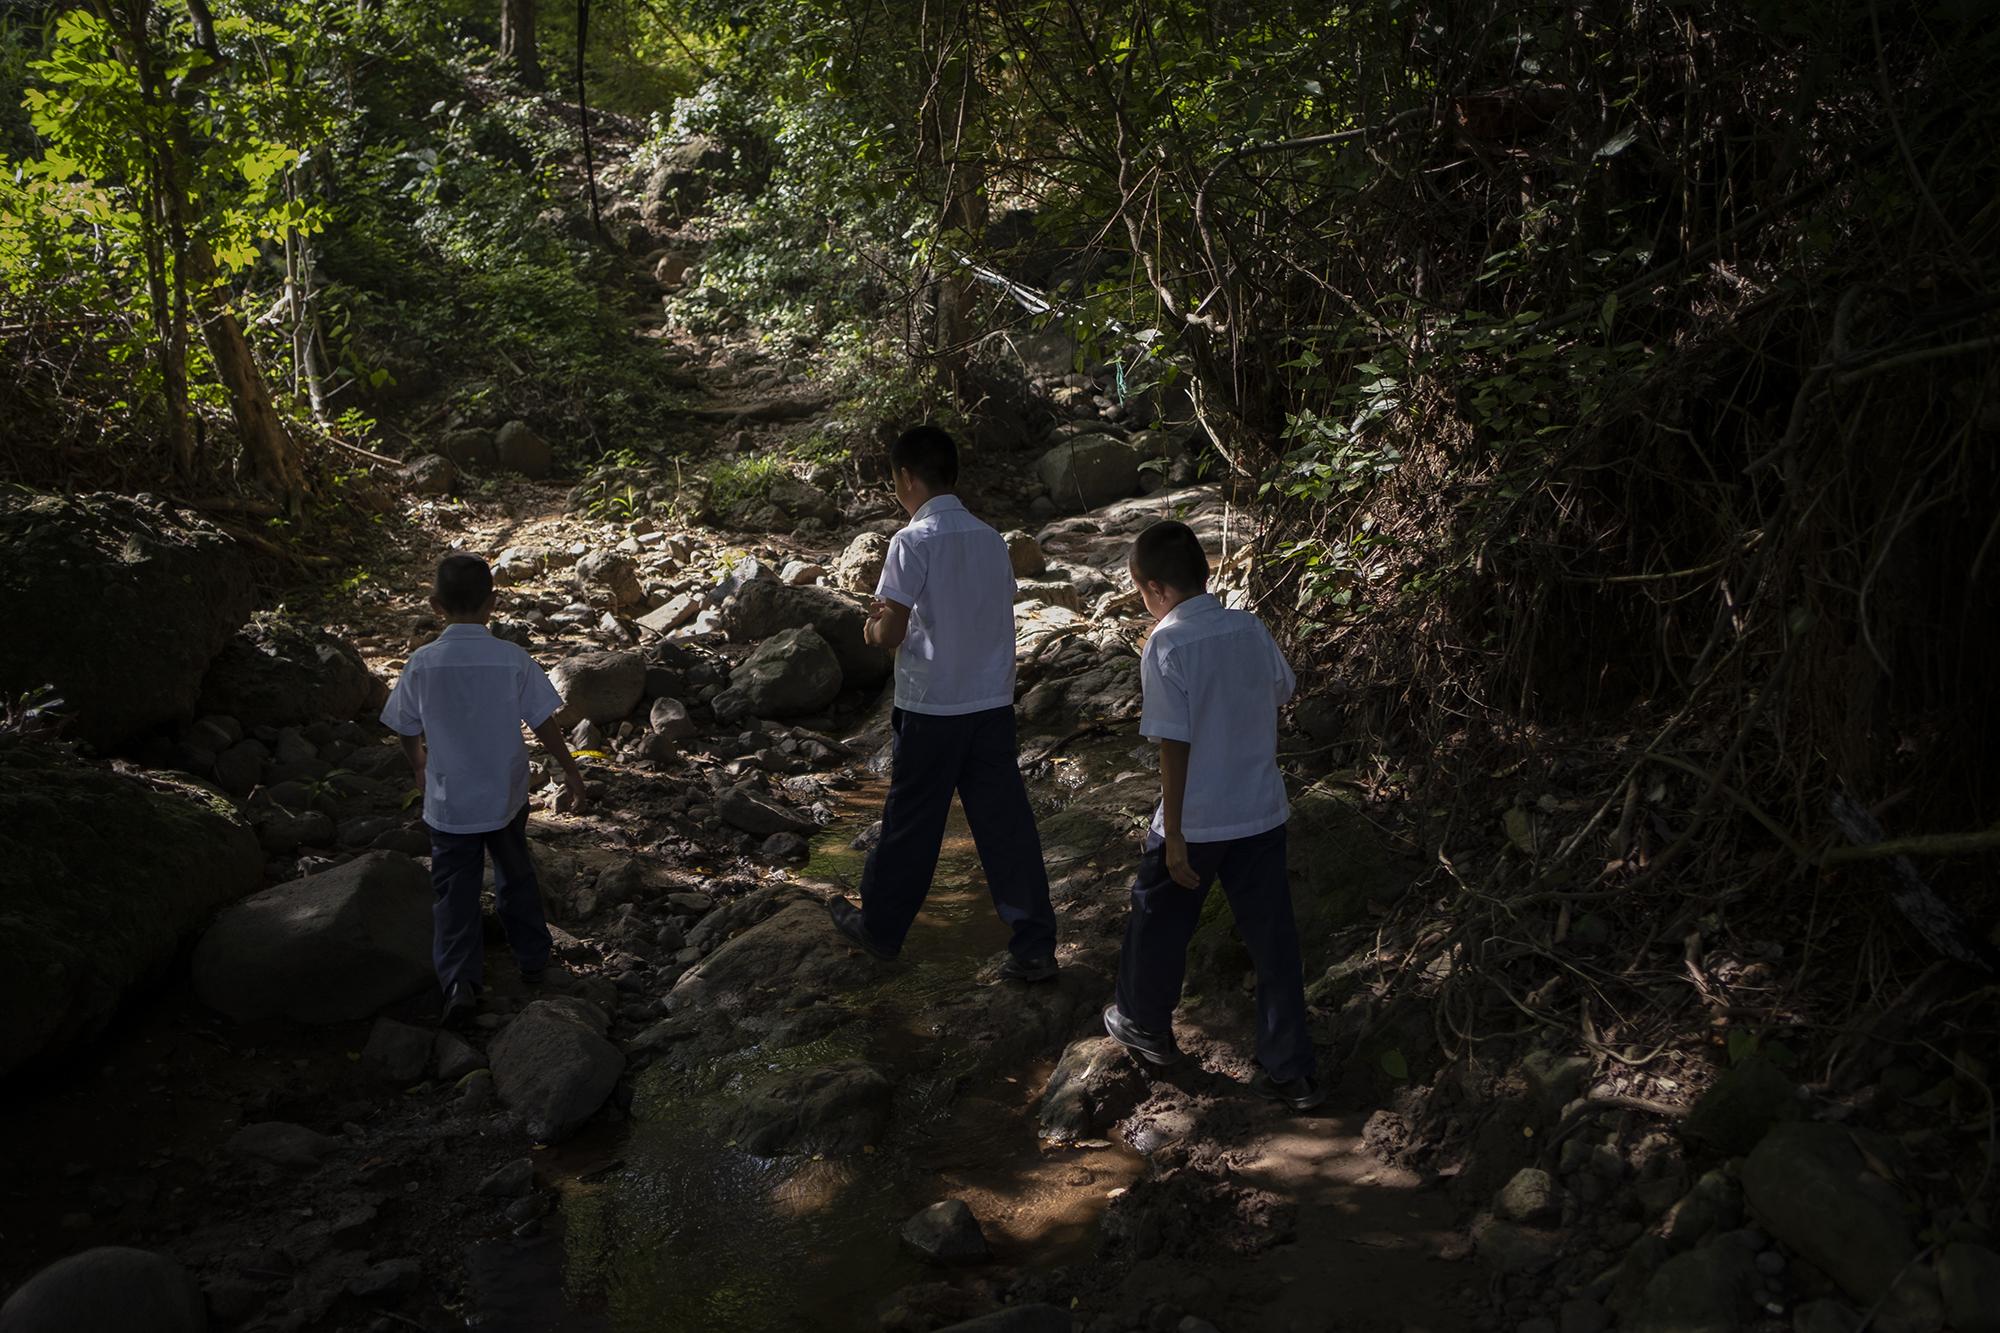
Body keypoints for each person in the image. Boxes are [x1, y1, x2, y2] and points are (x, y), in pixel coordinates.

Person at [1100, 520, 1322, 1111]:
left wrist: (1173, 835)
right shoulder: (1249, 627)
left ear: (1155, 590)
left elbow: (1174, 745)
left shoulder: (1167, 644)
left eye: (1141, 593)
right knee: (1274, 941)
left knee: (1156, 917)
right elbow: (1282, 689)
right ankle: (1290, 1068)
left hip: (1197, 819)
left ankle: (1144, 1019)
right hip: (1259, 810)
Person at [825, 425, 1060, 981]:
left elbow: (892, 632)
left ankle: (881, 929)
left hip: (932, 707)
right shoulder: (990, 539)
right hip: (990, 703)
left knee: (912, 824)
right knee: (1006, 826)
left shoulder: (911, 541)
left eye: (895, 481)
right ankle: (1034, 944)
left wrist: (870, 629)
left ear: (907, 478)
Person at [381, 553, 590, 1024]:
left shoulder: (423, 662)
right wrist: (570, 769)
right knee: (516, 874)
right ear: (492, 603)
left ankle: (459, 981)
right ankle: (534, 959)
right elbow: (544, 722)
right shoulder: (510, 658)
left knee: (454, 890)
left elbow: (405, 725)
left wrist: (418, 764)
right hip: (505, 795)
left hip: (449, 802)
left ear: (436, 606)